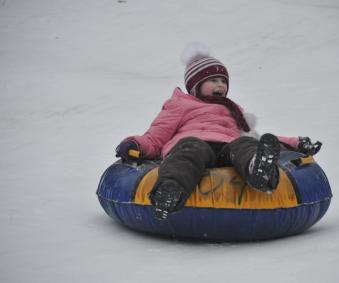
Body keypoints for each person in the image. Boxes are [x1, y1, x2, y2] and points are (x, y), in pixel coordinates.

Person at [115, 43, 321, 220]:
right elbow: (156, 136)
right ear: (195, 84)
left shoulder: (234, 111)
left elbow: (254, 138)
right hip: (194, 144)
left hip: (226, 149)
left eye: (224, 81)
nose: (220, 85)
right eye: (213, 80)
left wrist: (295, 143)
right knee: (190, 148)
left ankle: (258, 170)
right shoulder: (180, 104)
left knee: (244, 144)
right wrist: (135, 144)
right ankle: (169, 191)